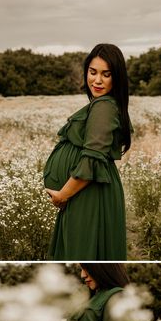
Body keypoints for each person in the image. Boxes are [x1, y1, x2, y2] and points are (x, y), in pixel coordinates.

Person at [44, 43, 132, 260]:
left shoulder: (104, 106)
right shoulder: (103, 104)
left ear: (116, 77)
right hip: (84, 191)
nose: (97, 80)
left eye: (106, 74)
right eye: (93, 72)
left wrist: (62, 194)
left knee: (82, 250)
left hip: (89, 193)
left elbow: (92, 157)